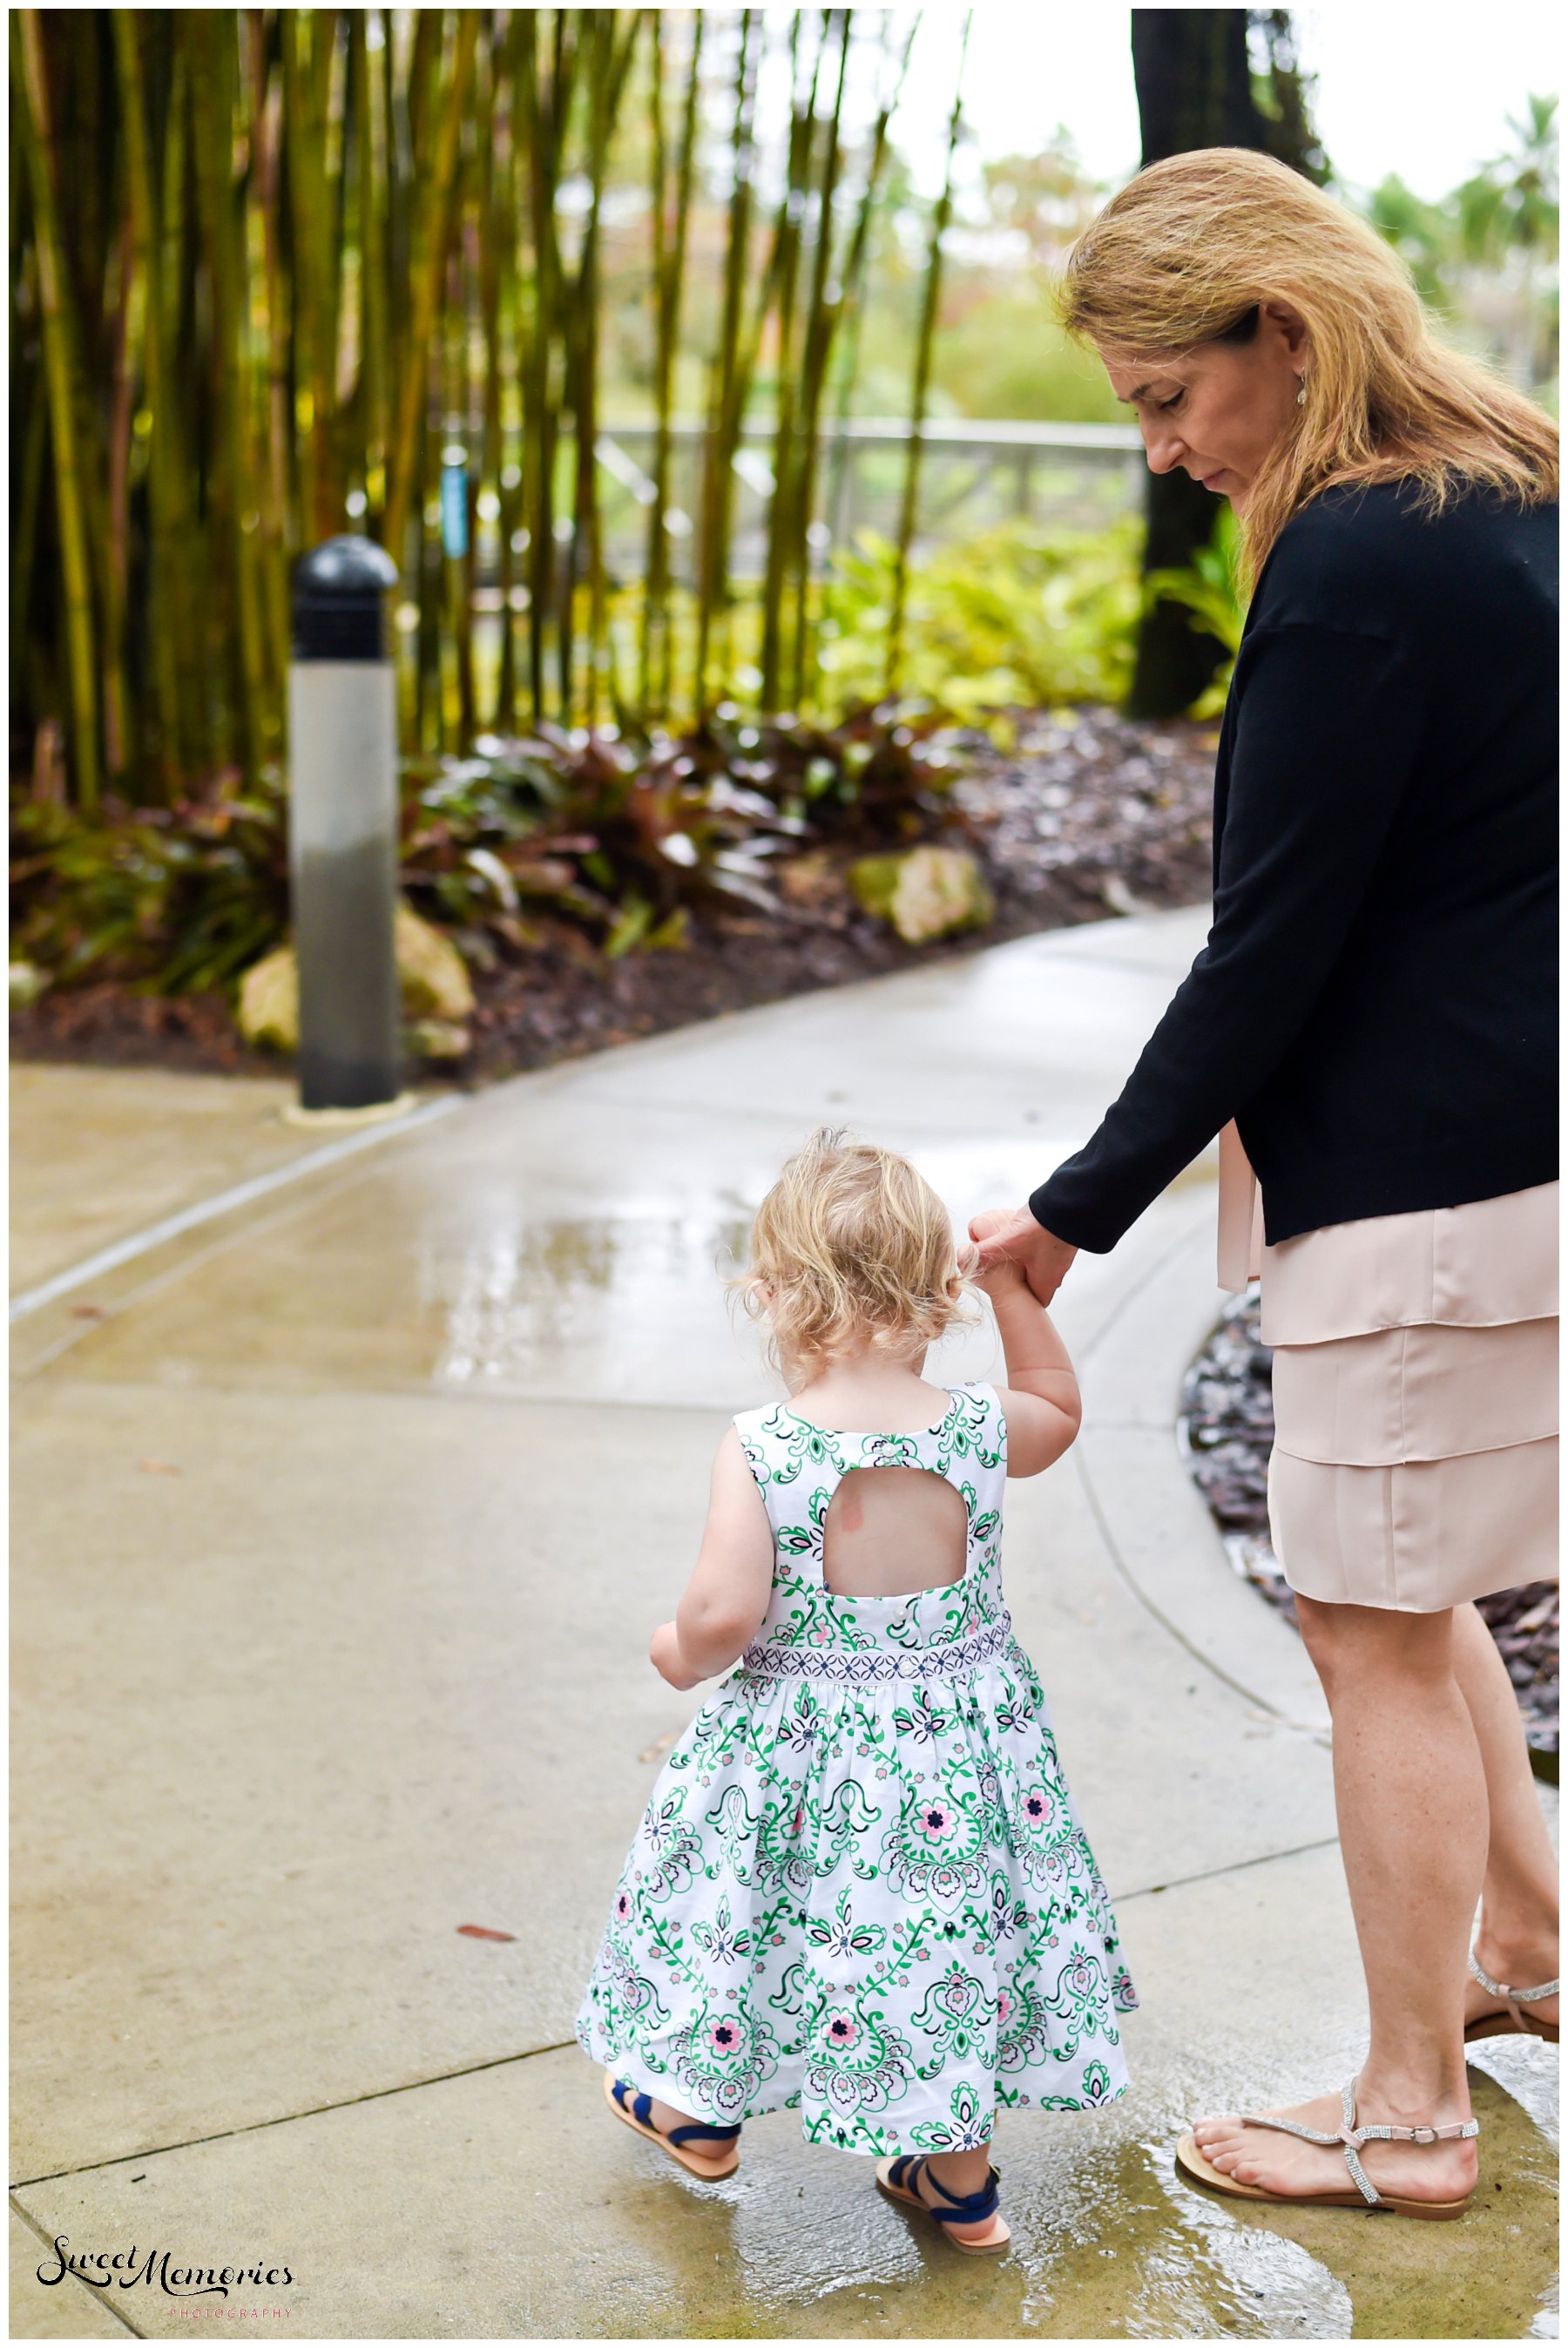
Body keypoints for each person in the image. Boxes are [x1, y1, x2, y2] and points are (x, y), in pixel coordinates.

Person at [972, 145, 1558, 2221]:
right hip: (1512, 1157)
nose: (1158, 448)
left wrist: (1070, 1206)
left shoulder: (1357, 560)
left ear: (1280, 340)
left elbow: (1270, 943)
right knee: (1420, 1583)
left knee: (1370, 1624)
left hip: (1420, 1187)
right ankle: (1535, 1943)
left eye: (1164, 396)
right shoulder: (1513, 499)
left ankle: (1404, 2119)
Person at [577, 1131, 1136, 2253]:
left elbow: (726, 1616)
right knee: (941, 1933)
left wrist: (674, 1652)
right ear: (942, 1290)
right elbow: (1057, 1407)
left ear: (772, 1294)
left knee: (748, 1914)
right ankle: (957, 2181)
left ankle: (696, 2112)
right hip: (960, 1755)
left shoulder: (768, 1447)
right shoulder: (979, 1425)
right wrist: (1015, 1290)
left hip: (803, 1757)